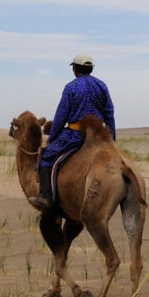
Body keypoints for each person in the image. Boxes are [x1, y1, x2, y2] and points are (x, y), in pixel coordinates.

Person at [29, 54, 116, 208]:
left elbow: (61, 116)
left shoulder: (71, 87)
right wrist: (111, 138)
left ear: (75, 69)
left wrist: (52, 138)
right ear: (90, 69)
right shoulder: (102, 85)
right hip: (98, 137)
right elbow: (109, 112)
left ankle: (46, 197)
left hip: (75, 135)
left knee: (46, 156)